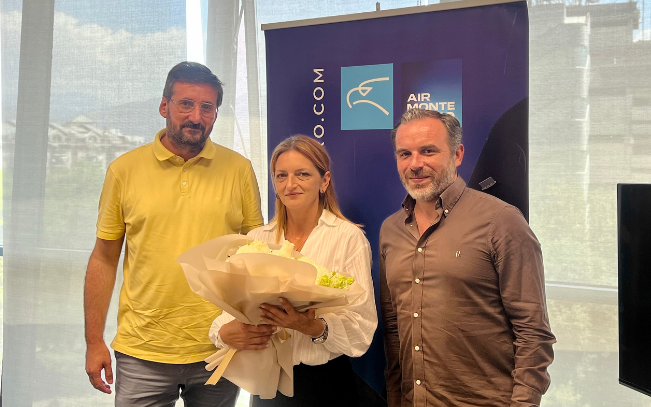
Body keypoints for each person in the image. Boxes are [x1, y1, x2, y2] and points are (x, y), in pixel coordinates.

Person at [84, 61, 263, 407]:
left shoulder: (239, 169)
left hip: (220, 346)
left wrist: (250, 325)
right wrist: (94, 341)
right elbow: (104, 258)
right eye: (186, 104)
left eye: (207, 107)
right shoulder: (124, 170)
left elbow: (256, 255)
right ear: (164, 106)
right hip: (143, 349)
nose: (196, 116)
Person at [380, 108, 556, 407]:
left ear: (457, 154)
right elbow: (394, 330)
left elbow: (533, 333)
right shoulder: (391, 230)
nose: (415, 164)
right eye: (405, 154)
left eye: (428, 151)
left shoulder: (501, 221)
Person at [210, 135, 378, 407]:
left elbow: (361, 330)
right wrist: (224, 333)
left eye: (303, 174)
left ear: (324, 181)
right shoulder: (257, 239)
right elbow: (229, 313)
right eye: (282, 176)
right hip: (267, 385)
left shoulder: (348, 238)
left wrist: (310, 326)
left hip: (325, 386)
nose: (290, 184)